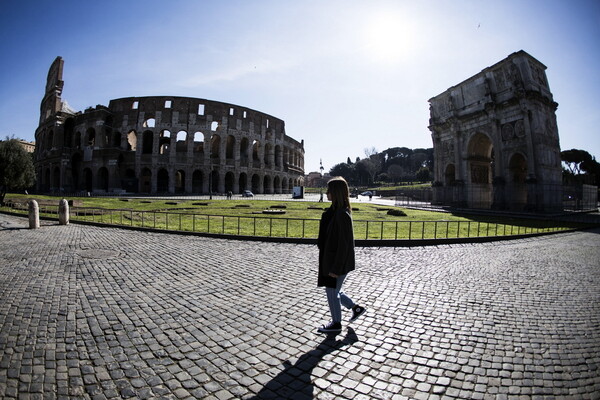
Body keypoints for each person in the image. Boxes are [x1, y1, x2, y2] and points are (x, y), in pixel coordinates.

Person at [316, 176, 365, 334]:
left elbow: (344, 245)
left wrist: (336, 268)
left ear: (335, 192)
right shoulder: (334, 212)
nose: (327, 193)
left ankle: (336, 323)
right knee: (334, 289)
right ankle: (355, 308)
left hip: (337, 262)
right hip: (330, 259)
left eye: (329, 190)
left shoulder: (342, 214)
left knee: (332, 291)